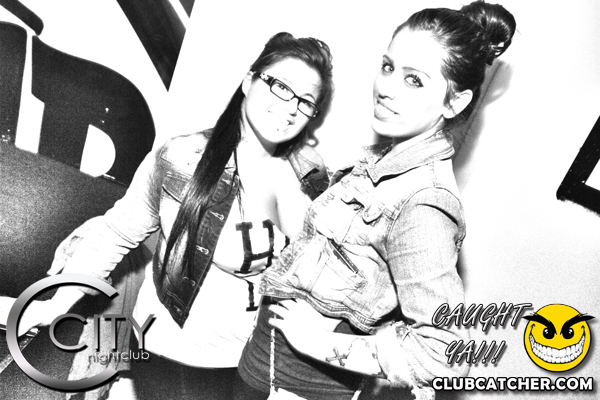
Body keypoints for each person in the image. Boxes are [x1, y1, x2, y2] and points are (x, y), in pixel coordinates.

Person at [0, 32, 333, 400]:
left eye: (306, 101)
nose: (290, 107)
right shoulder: (181, 159)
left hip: (250, 367)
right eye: (281, 86)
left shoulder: (311, 178)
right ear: (249, 81)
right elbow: (117, 231)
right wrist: (59, 302)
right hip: (173, 356)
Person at [237, 2, 517, 399]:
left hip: (300, 386)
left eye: (414, 80)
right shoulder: (386, 162)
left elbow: (446, 354)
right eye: (388, 67)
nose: (386, 88)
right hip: (266, 362)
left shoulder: (425, 203)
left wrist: (317, 342)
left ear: (455, 102)